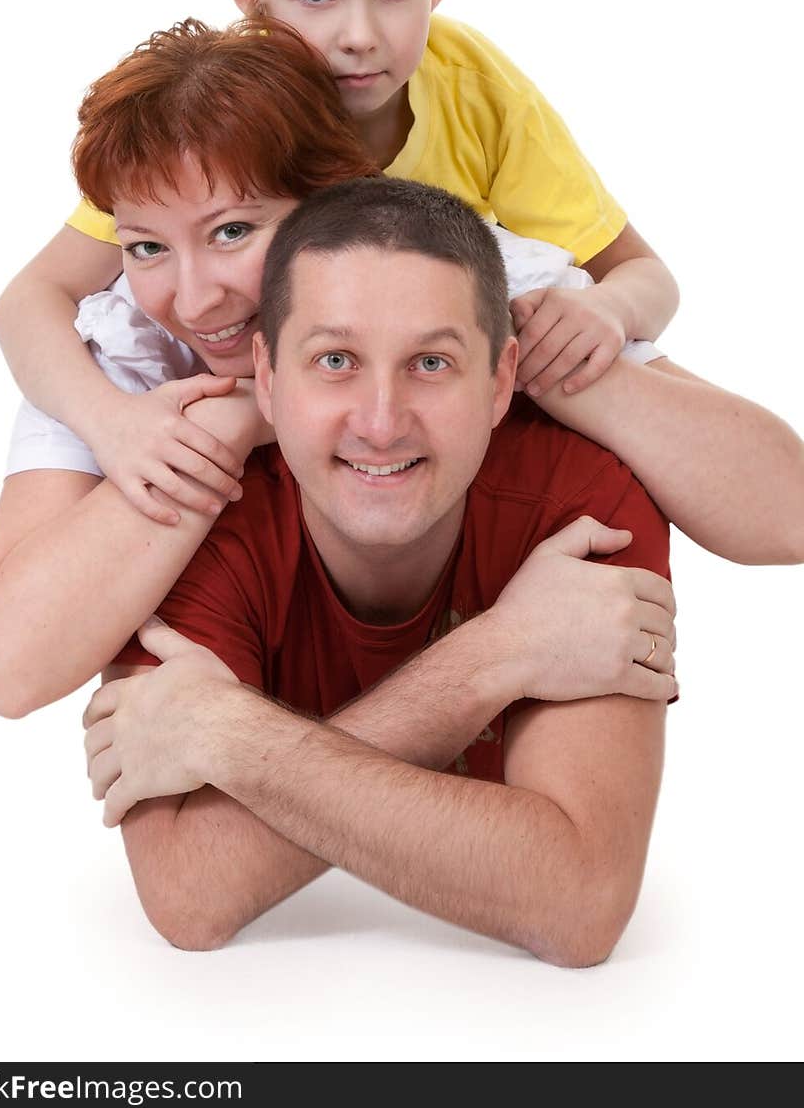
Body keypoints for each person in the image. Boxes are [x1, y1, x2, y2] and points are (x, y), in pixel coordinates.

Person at [0, 18, 804, 721]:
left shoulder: (465, 282)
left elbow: (785, 511)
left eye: (232, 233)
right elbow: (10, 671)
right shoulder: (120, 349)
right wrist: (219, 426)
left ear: (335, 199)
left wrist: (525, 361)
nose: (193, 298)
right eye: (146, 247)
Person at [0, 0, 683, 520]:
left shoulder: (477, 89)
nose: (358, 35)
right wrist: (108, 421)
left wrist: (608, 308)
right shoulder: (216, 117)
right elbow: (34, 297)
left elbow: (644, 275)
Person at [82, 178, 678, 965]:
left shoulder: (581, 498)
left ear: (500, 380)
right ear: (265, 375)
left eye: (431, 362)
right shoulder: (191, 511)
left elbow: (579, 902)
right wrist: (500, 654)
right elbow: (191, 895)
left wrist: (227, 736)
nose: (381, 421)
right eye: (335, 360)